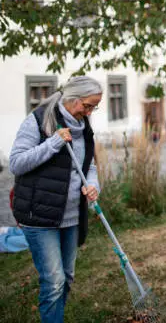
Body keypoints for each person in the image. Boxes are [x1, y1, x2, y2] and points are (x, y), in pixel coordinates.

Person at [10, 76, 103, 323]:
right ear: (73, 99)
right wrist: (53, 143)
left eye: (94, 107)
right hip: (39, 217)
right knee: (54, 282)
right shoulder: (39, 120)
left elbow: (88, 165)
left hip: (72, 216)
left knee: (67, 277)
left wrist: (93, 185)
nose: (90, 112)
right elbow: (16, 163)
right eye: (88, 105)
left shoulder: (84, 126)